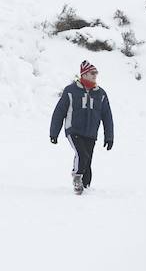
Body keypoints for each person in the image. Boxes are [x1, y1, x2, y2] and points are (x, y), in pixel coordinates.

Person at [50, 60, 114, 195]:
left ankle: (86, 187)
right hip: (74, 130)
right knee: (81, 154)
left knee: (87, 160)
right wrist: (54, 133)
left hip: (91, 133)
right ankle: (77, 178)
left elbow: (107, 116)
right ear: (84, 75)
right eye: (92, 73)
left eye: (96, 73)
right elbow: (59, 112)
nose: (95, 75)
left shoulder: (101, 94)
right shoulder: (70, 91)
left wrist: (109, 137)